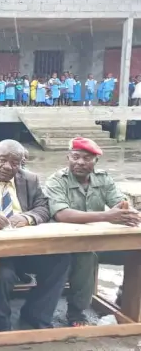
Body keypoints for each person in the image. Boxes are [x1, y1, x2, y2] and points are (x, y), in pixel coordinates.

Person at [0, 139, 70, 332]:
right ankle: (0, 325)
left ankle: (36, 315)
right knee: (3, 275)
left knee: (61, 260)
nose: (8, 167)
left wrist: (28, 218)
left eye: (15, 163)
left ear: (21, 162)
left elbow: (43, 208)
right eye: (3, 160)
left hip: (26, 248)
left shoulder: (30, 179)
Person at [44, 137, 140, 327]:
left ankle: (126, 298)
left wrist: (130, 213)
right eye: (75, 157)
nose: (80, 162)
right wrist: (107, 216)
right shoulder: (56, 180)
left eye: (86, 158)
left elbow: (119, 203)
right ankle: (76, 312)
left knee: (136, 251)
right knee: (87, 255)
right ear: (68, 157)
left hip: (97, 241)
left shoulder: (103, 179)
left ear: (96, 161)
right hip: (65, 244)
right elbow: (62, 214)